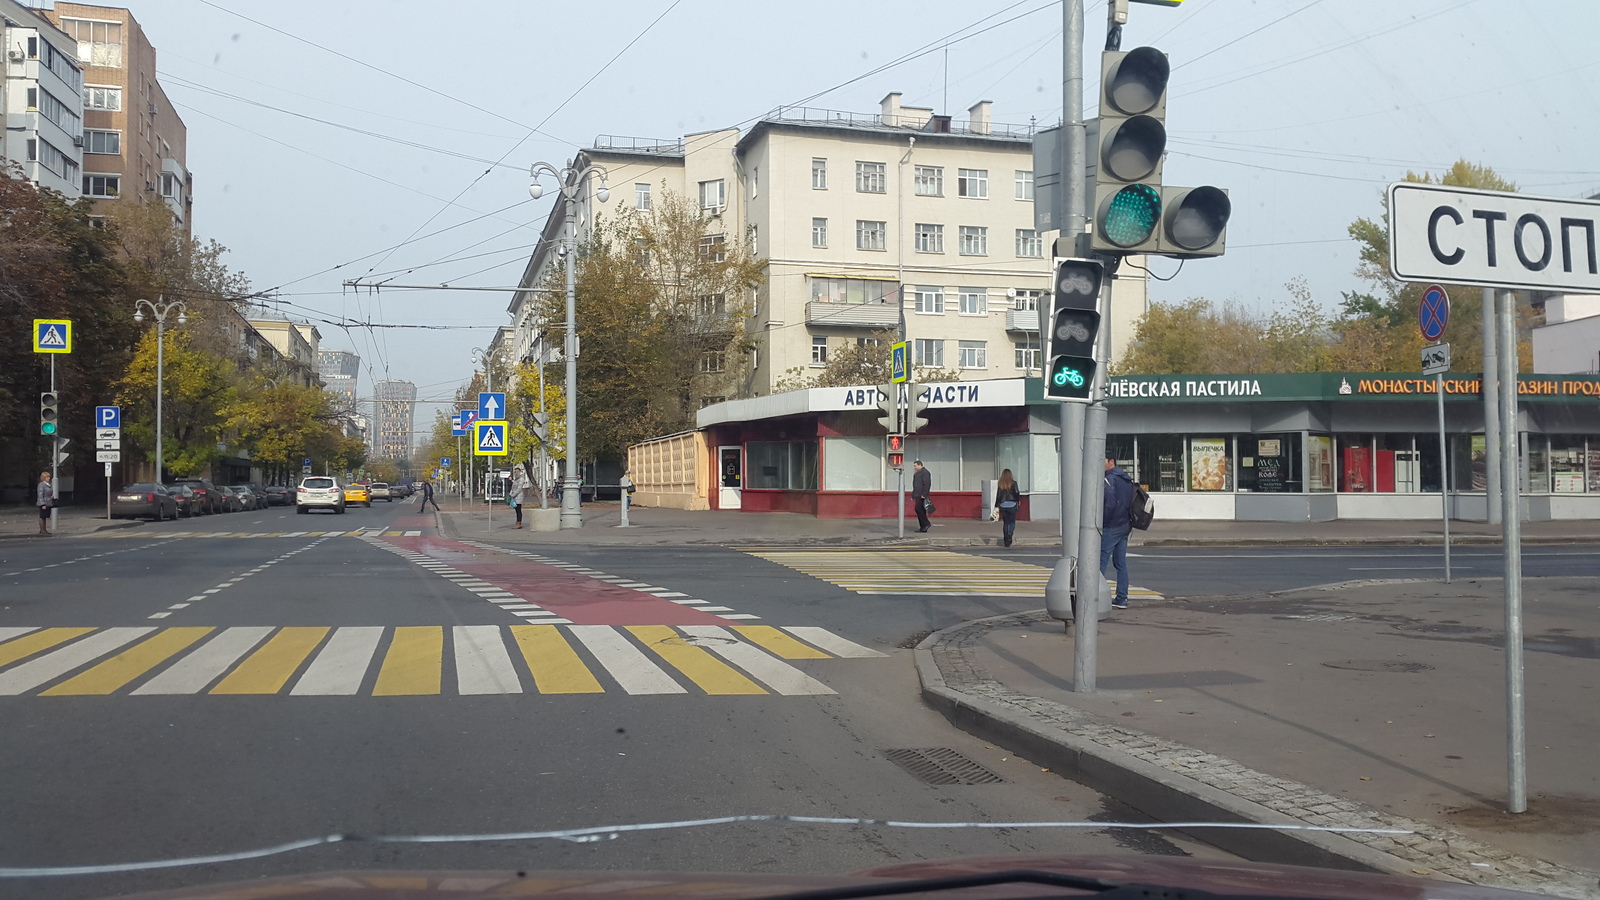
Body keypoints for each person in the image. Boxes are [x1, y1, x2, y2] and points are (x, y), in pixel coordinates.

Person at [1102, 456, 1136, 610]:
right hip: (1125, 524)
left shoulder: (1110, 479)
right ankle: (1122, 598)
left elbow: (1109, 504)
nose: (1100, 463)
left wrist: (1102, 522)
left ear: (1111, 462)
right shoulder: (1126, 479)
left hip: (1112, 525)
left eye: (1103, 460)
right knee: (1120, 563)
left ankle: (1096, 597)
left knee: (1099, 561)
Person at [992, 468, 1023, 548]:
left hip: (1003, 505)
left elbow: (998, 495)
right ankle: (1010, 534)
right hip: (1012, 504)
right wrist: (1018, 500)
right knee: (1012, 522)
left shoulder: (1001, 484)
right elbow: (1016, 492)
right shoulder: (1013, 483)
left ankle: (1006, 538)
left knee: (1006, 522)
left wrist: (996, 505)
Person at [911, 459, 932, 533]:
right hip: (917, 494)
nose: (914, 467)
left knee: (918, 509)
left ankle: (926, 524)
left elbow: (927, 484)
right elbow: (915, 485)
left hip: (921, 495)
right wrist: (913, 495)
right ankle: (923, 526)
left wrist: (924, 494)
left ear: (920, 465)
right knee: (920, 510)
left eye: (915, 466)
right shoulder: (917, 473)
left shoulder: (925, 473)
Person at [509, 463, 533, 529]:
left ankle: (519, 523)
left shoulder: (521, 479)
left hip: (518, 497)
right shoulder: (515, 480)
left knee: (518, 510)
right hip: (514, 497)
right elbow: (513, 488)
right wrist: (511, 494)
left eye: (517, 472)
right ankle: (517, 522)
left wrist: (513, 495)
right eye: (515, 472)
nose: (516, 473)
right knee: (516, 510)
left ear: (520, 472)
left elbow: (519, 489)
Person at [36, 471, 54, 536]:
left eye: (49, 477)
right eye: (47, 477)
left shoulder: (48, 484)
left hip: (48, 502)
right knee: (42, 516)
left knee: (45, 516)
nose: (48, 478)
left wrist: (51, 496)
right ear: (43, 478)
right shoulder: (41, 485)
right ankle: (42, 530)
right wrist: (42, 504)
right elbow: (40, 495)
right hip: (44, 503)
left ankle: (44, 529)